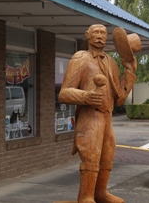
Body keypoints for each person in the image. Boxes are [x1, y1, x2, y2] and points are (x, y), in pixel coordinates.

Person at [58, 24, 140, 203]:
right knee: (91, 156)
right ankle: (86, 196)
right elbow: (63, 93)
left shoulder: (111, 63)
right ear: (87, 35)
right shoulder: (80, 58)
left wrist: (129, 70)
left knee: (107, 156)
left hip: (107, 117)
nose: (100, 36)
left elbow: (119, 99)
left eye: (103, 33)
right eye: (95, 32)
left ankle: (101, 193)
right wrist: (85, 96)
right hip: (90, 117)